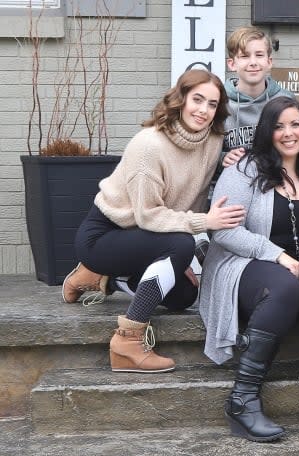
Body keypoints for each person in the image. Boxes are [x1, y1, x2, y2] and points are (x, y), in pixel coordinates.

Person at [61, 69, 245, 373]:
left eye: (212, 104)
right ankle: (128, 341)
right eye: (197, 99)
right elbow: (148, 216)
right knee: (181, 244)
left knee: (183, 296)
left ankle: (105, 279)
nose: (203, 110)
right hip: (105, 235)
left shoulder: (212, 141)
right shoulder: (149, 145)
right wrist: (204, 223)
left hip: (149, 240)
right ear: (181, 98)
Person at [199, 97, 299, 444]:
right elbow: (224, 231)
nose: (288, 133)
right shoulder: (244, 170)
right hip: (244, 266)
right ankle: (243, 399)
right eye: (279, 126)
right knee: (285, 287)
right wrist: (274, 253)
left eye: (295, 124)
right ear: (267, 130)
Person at [221, 26, 295, 168]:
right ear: (232, 64)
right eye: (245, 56)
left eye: (259, 55)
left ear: (269, 62)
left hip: (276, 177)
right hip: (233, 179)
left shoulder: (285, 99)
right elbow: (204, 150)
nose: (253, 62)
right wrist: (222, 158)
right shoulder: (219, 102)